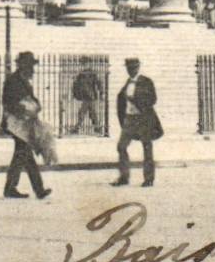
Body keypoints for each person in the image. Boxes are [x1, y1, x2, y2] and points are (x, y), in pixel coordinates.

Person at [1, 51, 50, 200]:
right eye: (30, 66)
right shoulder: (13, 80)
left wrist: (36, 105)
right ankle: (34, 189)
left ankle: (19, 188)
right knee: (23, 154)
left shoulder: (23, 80)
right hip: (16, 123)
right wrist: (22, 109)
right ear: (23, 66)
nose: (33, 70)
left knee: (24, 155)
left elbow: (31, 98)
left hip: (24, 123)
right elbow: (8, 102)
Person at [113, 57, 162, 187]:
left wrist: (135, 99)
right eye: (129, 68)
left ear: (138, 67)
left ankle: (149, 179)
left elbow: (152, 99)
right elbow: (121, 99)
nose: (131, 70)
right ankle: (124, 177)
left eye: (133, 68)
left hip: (143, 119)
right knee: (121, 146)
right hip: (129, 119)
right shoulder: (128, 82)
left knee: (147, 148)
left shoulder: (146, 81)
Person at [69, 60, 104, 135]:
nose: (84, 65)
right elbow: (77, 84)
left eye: (86, 64)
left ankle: (77, 128)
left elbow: (99, 83)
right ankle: (97, 128)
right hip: (84, 96)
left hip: (90, 96)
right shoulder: (81, 74)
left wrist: (101, 93)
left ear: (89, 64)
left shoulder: (92, 73)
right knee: (91, 113)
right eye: (83, 64)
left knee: (83, 112)